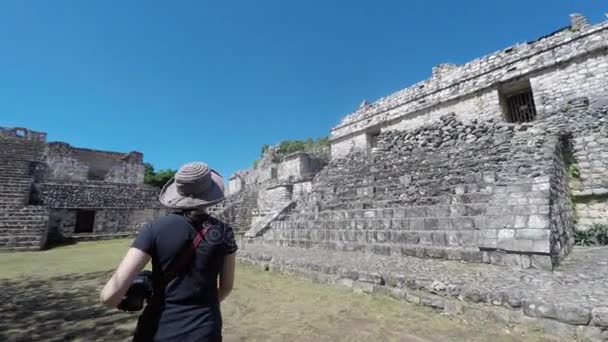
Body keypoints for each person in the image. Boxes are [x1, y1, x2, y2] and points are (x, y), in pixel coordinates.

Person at [100, 162, 237, 342]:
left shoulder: (154, 229)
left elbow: (110, 296)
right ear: (210, 192)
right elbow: (226, 287)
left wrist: (130, 300)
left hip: (158, 329)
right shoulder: (224, 232)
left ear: (178, 191)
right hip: (204, 330)